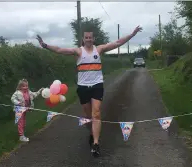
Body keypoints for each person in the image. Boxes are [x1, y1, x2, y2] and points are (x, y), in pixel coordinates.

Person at [36, 26, 142, 157]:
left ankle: (96, 144)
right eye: (86, 38)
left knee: (96, 113)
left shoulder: (99, 49)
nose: (88, 39)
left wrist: (132, 34)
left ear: (93, 38)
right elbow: (59, 50)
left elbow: (118, 43)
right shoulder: (78, 52)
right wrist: (45, 45)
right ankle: (92, 133)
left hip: (97, 85)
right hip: (83, 87)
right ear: (83, 39)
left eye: (90, 37)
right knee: (87, 117)